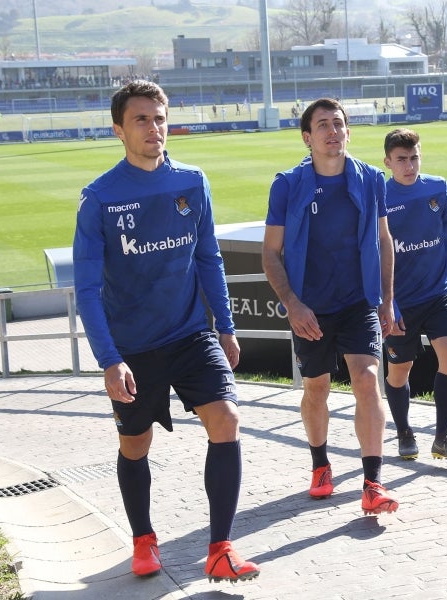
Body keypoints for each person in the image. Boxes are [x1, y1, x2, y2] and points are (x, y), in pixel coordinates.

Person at [72, 80, 260, 583]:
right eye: (141, 120)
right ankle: (143, 540)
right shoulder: (99, 200)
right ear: (119, 129)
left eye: (159, 117)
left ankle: (220, 548)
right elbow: (87, 291)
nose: (154, 128)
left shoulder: (192, 182)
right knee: (135, 444)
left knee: (227, 419)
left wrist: (225, 325)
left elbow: (208, 259)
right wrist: (110, 360)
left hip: (191, 335)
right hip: (133, 349)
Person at [262, 97, 399, 515]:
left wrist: (387, 300)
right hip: (310, 308)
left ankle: (372, 482)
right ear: (308, 137)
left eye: (338, 123)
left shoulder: (372, 179)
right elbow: (271, 252)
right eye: (322, 125)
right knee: (316, 388)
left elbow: (383, 239)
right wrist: (292, 304)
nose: (332, 131)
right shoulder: (287, 185)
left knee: (367, 378)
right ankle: (320, 465)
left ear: (348, 131)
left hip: (358, 302)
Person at [381, 128, 447, 461]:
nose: (409, 165)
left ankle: (443, 436)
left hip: (439, 294)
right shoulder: (382, 197)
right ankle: (404, 431)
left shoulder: (437, 187)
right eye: (401, 159)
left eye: (414, 157)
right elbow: (374, 254)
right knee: (399, 371)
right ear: (388, 161)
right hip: (400, 303)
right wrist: (388, 302)